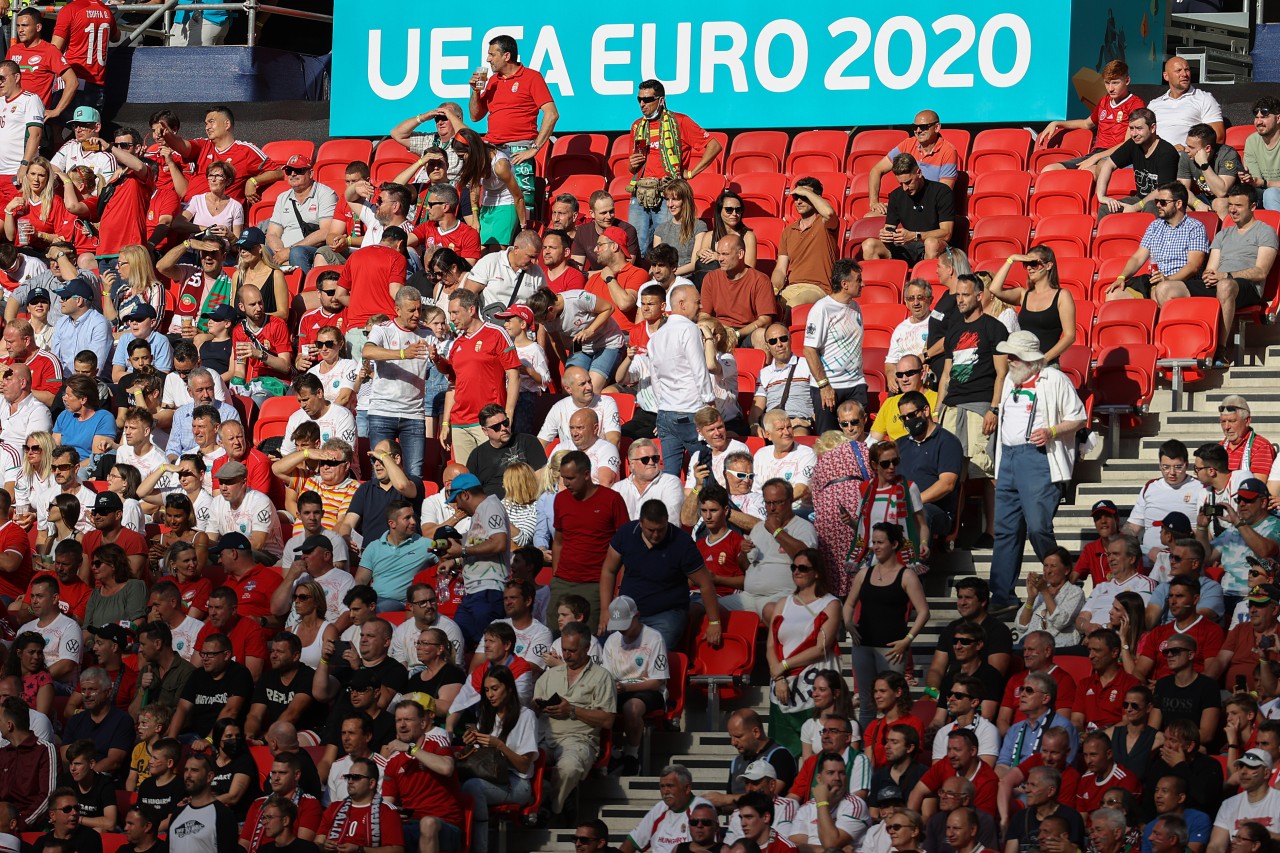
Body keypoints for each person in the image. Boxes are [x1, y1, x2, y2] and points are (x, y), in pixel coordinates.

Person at [987, 330, 1087, 612]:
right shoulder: (1009, 379)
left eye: (1015, 356)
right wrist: (999, 465)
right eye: (1009, 356)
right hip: (1008, 458)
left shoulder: (1054, 379)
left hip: (1038, 459)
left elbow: (1078, 417)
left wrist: (1052, 431)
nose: (1009, 361)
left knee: (1038, 527)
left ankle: (1062, 587)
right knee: (1005, 529)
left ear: (1031, 359)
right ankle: (1002, 595)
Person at [936, 275, 1009, 547]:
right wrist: (937, 410)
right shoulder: (953, 330)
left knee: (987, 472)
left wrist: (994, 409)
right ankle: (951, 533)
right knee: (953, 474)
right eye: (958, 296)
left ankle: (992, 531)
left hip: (980, 407)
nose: (961, 300)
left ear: (979, 295)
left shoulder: (995, 328)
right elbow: (946, 375)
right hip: (952, 408)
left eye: (966, 295)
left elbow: (1001, 373)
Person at [842, 524, 930, 731]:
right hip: (863, 645)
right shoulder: (865, 573)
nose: (875, 547)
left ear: (894, 544)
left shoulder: (907, 576)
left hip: (892, 649)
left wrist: (907, 640)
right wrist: (848, 623)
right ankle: (866, 751)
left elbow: (924, 612)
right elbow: (849, 603)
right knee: (866, 705)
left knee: (893, 705)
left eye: (880, 542)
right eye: (873, 542)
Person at [624, 80, 719, 255]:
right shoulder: (637, 126)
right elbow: (632, 169)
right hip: (640, 192)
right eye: (639, 99)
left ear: (660, 100)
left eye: (647, 99)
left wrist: (691, 173)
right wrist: (632, 165)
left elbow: (714, 146)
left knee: (666, 247)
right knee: (635, 247)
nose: (642, 104)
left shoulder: (680, 121)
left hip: (667, 192)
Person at [469, 34, 557, 214]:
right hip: (492, 150)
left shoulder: (532, 77)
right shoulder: (493, 81)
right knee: (491, 206)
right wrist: (476, 92)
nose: (488, 59)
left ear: (506, 56)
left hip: (518, 150)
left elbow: (552, 114)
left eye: (492, 54)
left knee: (523, 207)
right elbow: (475, 116)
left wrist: (534, 148)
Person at [1040, 60, 1145, 176]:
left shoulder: (1136, 104)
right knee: (1048, 171)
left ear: (1127, 80)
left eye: (1115, 83)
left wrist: (1097, 157)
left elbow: (1128, 143)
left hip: (1117, 157)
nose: (1110, 88)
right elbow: (1086, 124)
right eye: (1107, 83)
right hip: (1096, 154)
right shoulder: (1104, 101)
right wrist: (1057, 123)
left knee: (1085, 174)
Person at [861, 154, 954, 265]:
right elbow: (889, 227)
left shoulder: (941, 191)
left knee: (931, 244)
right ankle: (884, 280)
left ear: (919, 173)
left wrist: (915, 236)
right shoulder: (896, 195)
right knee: (868, 245)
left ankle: (929, 280)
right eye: (901, 184)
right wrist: (886, 235)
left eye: (908, 182)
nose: (905, 188)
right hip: (907, 247)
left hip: (934, 245)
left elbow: (946, 233)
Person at [867, 111, 961, 212]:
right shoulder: (907, 144)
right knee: (869, 219)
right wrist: (874, 202)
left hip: (929, 209)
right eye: (915, 127)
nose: (918, 131)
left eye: (924, 127)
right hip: (906, 205)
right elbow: (876, 170)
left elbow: (943, 193)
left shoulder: (948, 151)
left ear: (937, 127)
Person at [1096, 110, 1183, 217]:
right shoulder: (1133, 144)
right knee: (1106, 209)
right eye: (1131, 129)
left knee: (1150, 207)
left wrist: (1135, 207)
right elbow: (1108, 164)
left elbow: (1163, 190)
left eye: (1139, 128)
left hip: (1164, 202)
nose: (1134, 134)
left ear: (1152, 128)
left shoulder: (1167, 152)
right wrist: (1101, 196)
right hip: (1139, 199)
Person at [700, 234, 776, 350]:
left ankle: (762, 368)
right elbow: (704, 314)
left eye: (725, 254)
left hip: (747, 332)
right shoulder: (711, 278)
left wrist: (737, 334)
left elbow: (765, 320)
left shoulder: (760, 280)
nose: (720, 259)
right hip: (720, 331)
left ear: (740, 254)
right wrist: (717, 331)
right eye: (718, 254)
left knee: (761, 335)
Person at [265, 155, 337, 275]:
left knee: (297, 252)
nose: (293, 174)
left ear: (311, 173)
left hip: (310, 250)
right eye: (289, 171)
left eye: (298, 170)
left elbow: (326, 231)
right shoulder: (283, 197)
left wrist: (290, 250)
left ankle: (303, 288)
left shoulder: (325, 194)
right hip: (283, 250)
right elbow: (272, 233)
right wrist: (280, 253)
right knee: (257, 250)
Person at [317, 756, 404, 853]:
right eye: (348, 777)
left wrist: (360, 850)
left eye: (356, 777)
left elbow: (397, 850)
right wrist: (324, 845)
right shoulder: (334, 808)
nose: (350, 781)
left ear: (371, 783)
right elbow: (318, 842)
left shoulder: (386, 810)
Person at [787, 751, 870, 853]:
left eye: (842, 773)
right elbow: (795, 847)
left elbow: (830, 843)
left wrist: (822, 802)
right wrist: (828, 851)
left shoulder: (856, 805)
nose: (837, 778)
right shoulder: (806, 808)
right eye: (830, 773)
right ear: (819, 778)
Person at [995, 672, 1078, 773]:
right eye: (1022, 689)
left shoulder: (1063, 727)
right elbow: (1002, 765)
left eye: (1029, 690)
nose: (1022, 695)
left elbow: (1066, 767)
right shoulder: (1014, 729)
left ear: (1045, 698)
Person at [620, 765, 712, 853]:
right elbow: (632, 842)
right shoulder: (660, 808)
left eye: (670, 786)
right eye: (662, 786)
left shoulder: (701, 809)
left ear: (687, 788)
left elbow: (708, 849)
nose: (665, 791)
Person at [168, 754, 240, 853]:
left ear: (210, 776)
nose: (188, 775)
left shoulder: (223, 815)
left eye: (194, 770)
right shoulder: (177, 814)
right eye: (186, 770)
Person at [1148, 56, 1225, 148]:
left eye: (1187, 70)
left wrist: (1189, 149)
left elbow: (1218, 136)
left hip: (1187, 156)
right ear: (1166, 76)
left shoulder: (1204, 98)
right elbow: (1143, 134)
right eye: (1178, 70)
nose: (1184, 74)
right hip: (1156, 156)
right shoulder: (1154, 104)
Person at [752, 323, 815, 435]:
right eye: (773, 341)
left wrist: (809, 421)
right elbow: (756, 408)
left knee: (799, 436)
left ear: (790, 339)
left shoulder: (807, 365)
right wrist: (754, 426)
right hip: (773, 425)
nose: (779, 344)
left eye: (783, 339)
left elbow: (822, 400)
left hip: (798, 422)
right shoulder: (764, 373)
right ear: (767, 346)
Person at [0, 61, 43, 204]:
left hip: (16, 172)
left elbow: (35, 135)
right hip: (1, 171)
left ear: (17, 77)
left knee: (17, 219)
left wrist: (24, 166)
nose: (0, 83)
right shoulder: (0, 101)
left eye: (2, 78)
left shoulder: (30, 99)